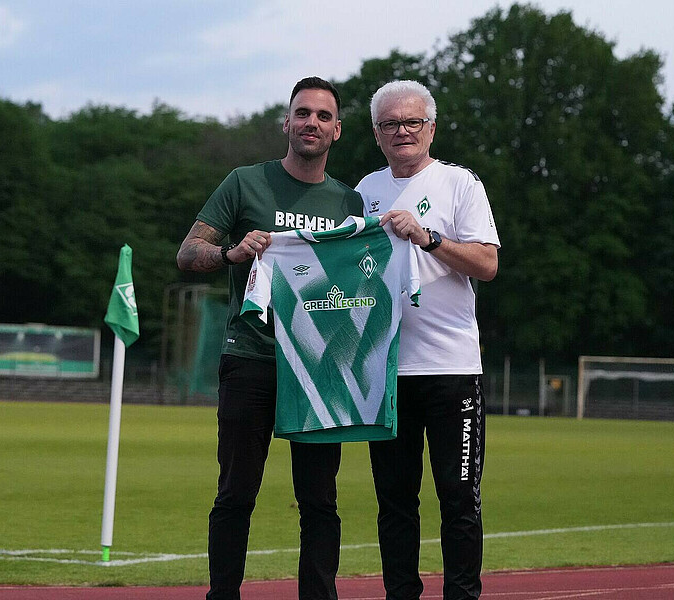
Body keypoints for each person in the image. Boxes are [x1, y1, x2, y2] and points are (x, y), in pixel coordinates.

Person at [176, 77, 363, 600]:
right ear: (286, 122)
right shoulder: (244, 183)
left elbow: (365, 285)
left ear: (338, 130)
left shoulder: (351, 202)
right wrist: (232, 253)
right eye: (302, 113)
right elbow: (188, 255)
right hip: (252, 358)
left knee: (320, 500)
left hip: (320, 369)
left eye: (323, 116)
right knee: (236, 492)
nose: (312, 123)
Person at [355, 80, 500, 600]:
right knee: (394, 501)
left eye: (412, 122)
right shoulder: (364, 191)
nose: (402, 132)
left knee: (459, 498)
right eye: (390, 124)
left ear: (431, 128)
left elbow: (487, 264)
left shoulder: (459, 184)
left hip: (451, 369)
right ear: (376, 133)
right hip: (386, 372)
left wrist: (428, 237)